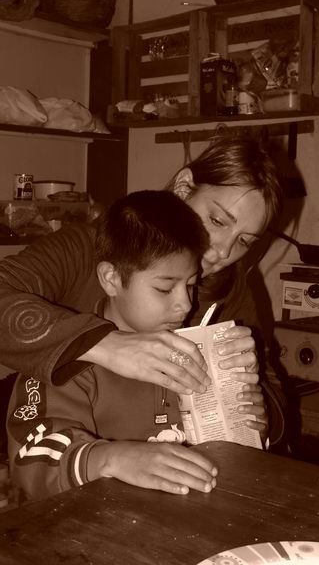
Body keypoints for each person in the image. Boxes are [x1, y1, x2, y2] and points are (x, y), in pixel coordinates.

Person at [0, 136, 283, 455]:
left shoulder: (230, 289)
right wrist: (102, 344)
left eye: (245, 241)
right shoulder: (88, 249)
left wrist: (261, 411)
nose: (222, 251)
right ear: (183, 187)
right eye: (217, 220)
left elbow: (271, 391)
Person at [7, 190, 217, 500]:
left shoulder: (190, 349)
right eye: (164, 288)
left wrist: (245, 415)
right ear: (111, 279)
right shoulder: (64, 357)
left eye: (190, 285)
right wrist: (111, 459)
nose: (185, 304)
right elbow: (31, 459)